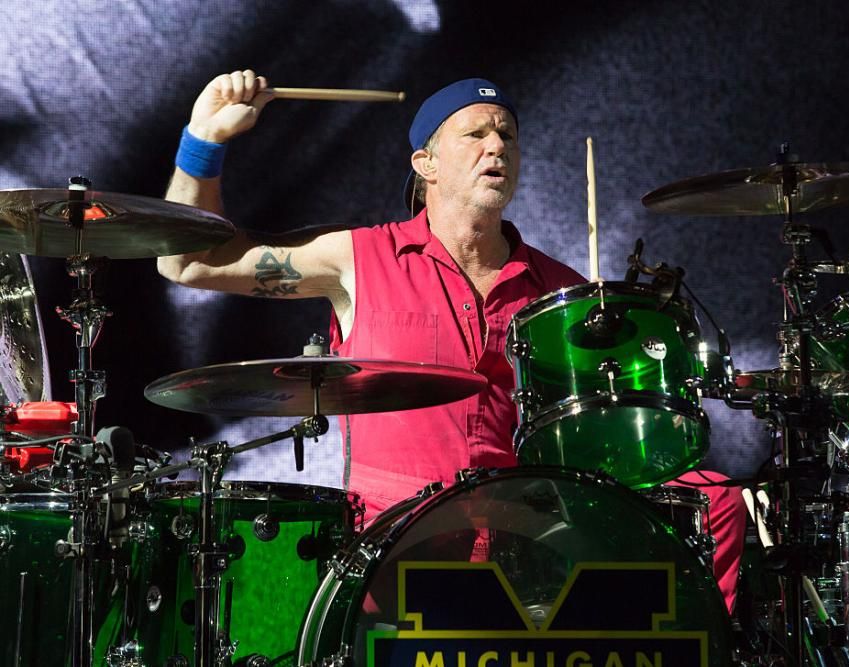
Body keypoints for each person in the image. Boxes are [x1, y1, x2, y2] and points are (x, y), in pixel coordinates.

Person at [158, 70, 744, 612]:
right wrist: (204, 139)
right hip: (394, 553)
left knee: (715, 498)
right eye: (476, 134)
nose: (497, 147)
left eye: (507, 136)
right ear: (426, 163)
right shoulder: (359, 258)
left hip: (528, 556)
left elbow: (594, 439)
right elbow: (187, 263)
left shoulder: (560, 291)